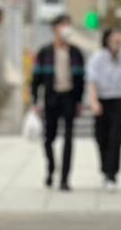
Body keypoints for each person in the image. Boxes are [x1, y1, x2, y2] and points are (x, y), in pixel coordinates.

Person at [31, 13, 85, 191]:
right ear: (55, 29)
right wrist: (35, 101)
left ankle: (65, 178)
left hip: (69, 98)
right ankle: (51, 167)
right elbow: (36, 78)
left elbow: (81, 79)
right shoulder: (45, 52)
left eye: (69, 25)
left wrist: (79, 101)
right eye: (63, 25)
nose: (67, 29)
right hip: (50, 98)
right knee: (49, 138)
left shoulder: (76, 53)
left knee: (69, 138)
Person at [87, 27, 121, 192]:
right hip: (102, 100)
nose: (117, 43)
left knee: (116, 137)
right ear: (107, 40)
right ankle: (104, 168)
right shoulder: (98, 58)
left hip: (118, 99)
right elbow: (92, 80)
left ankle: (112, 173)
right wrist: (94, 101)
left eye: (119, 40)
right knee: (101, 137)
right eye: (115, 40)